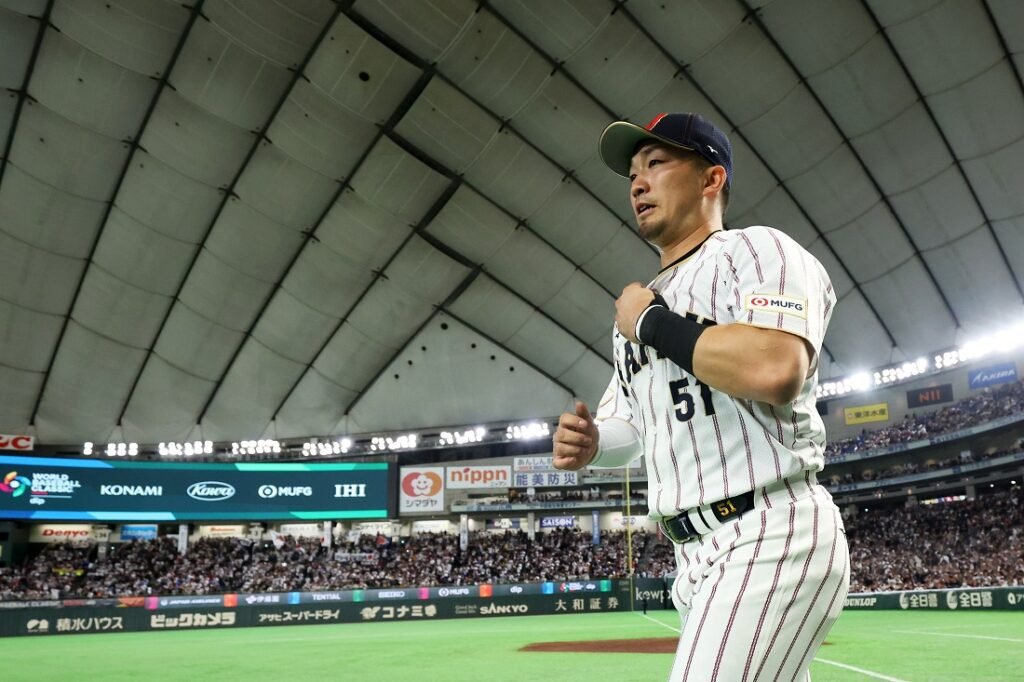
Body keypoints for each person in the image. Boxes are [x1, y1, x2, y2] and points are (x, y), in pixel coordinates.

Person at [552, 112, 849, 681]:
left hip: (769, 529)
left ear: (711, 179)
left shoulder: (757, 253)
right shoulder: (634, 315)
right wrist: (593, 445)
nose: (637, 183)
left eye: (656, 164)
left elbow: (776, 366)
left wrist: (655, 324)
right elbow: (634, 430)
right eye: (632, 174)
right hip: (692, 554)